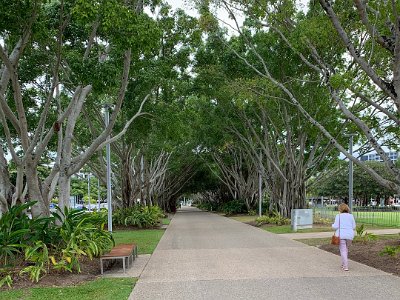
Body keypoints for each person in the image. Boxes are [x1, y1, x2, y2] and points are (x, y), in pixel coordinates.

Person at [332, 203, 356, 271]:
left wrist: (332, 225)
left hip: (341, 235)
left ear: (340, 209)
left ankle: (345, 266)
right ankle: (343, 264)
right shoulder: (351, 216)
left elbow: (335, 226)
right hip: (350, 235)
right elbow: (354, 226)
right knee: (346, 250)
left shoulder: (338, 216)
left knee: (343, 250)